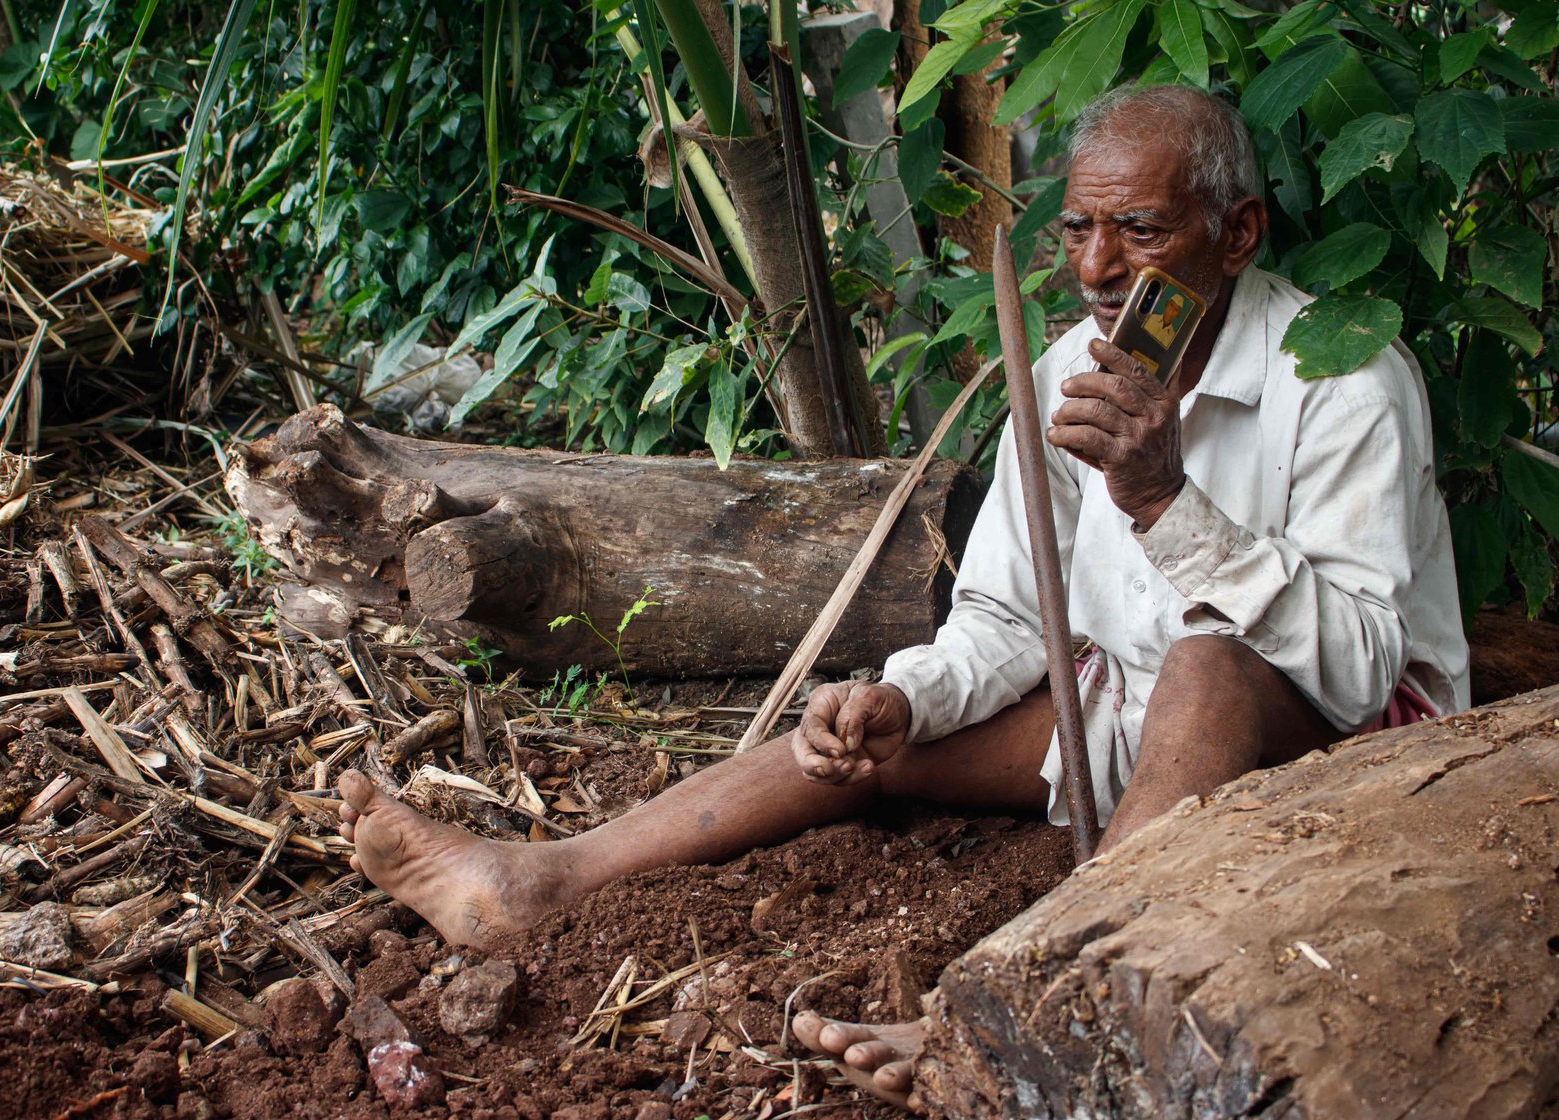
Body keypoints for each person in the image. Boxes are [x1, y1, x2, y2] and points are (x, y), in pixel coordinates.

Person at [336, 83, 1469, 1111]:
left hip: (1339, 753)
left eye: (1140, 228)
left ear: (1239, 232)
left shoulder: (1346, 379)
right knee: (861, 738)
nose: (1096, 268)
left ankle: (1009, 1012)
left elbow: (1362, 665)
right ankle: (540, 878)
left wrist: (1166, 498)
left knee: (1208, 662)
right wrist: (909, 695)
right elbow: (1010, 617)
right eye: (1078, 228)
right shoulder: (1076, 364)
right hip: (1127, 728)